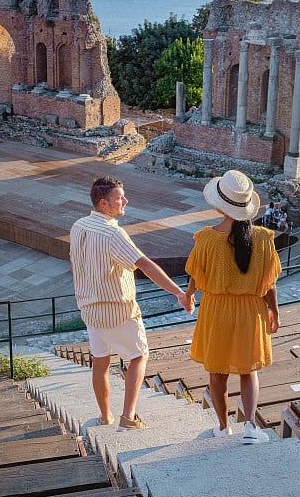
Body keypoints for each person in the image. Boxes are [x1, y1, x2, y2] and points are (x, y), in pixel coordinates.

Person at [70, 176, 193, 431]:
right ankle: (128, 417)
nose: (125, 201)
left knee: (100, 362)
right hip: (118, 310)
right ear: (104, 203)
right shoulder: (114, 233)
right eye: (119, 198)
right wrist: (179, 293)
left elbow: (76, 264)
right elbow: (145, 264)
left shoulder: (78, 226)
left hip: (90, 310)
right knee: (139, 356)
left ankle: (105, 417)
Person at [185, 170, 281, 444]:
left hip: (217, 311)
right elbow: (270, 283)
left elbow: (195, 275)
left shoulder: (205, 238)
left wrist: (190, 296)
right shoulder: (263, 238)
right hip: (251, 311)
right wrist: (274, 312)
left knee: (218, 373)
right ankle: (250, 427)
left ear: (219, 205)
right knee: (248, 370)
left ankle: (223, 426)